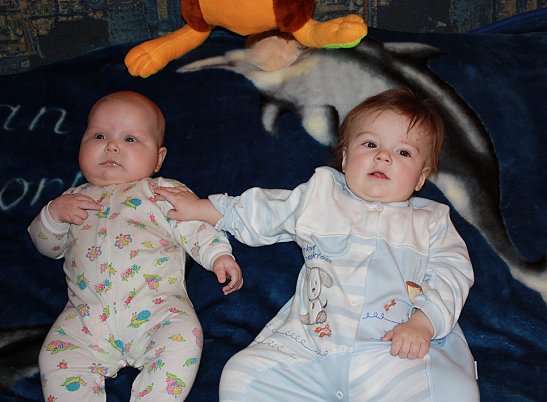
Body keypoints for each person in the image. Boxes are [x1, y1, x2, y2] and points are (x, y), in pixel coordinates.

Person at [155, 88, 479, 401]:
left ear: (421, 177)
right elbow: (266, 211)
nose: (383, 156)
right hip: (309, 349)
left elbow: (452, 274)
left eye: (403, 152)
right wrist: (203, 209)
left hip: (393, 350)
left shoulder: (431, 222)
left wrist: (424, 322)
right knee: (242, 377)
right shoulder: (321, 196)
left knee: (451, 390)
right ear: (346, 157)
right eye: (370, 144)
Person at [28, 91, 243, 401]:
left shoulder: (162, 192)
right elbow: (47, 247)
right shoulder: (72, 199)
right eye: (99, 136)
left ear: (158, 158)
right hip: (85, 317)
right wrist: (53, 216)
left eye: (130, 139)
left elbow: (195, 225)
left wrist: (218, 255)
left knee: (183, 339)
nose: (112, 145)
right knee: (55, 356)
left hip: (157, 309)